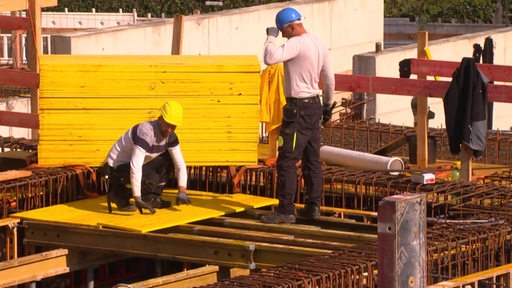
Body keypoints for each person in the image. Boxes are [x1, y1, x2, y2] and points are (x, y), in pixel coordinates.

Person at [260, 7, 335, 224]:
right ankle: (313, 208)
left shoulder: (296, 43)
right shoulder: (319, 43)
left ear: (292, 27)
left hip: (298, 110)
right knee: (312, 160)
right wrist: (328, 106)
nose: (283, 35)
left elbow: (270, 58)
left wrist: (270, 37)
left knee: (286, 161)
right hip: (314, 107)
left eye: (284, 31)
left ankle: (286, 211)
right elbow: (329, 79)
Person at [104, 100, 191, 214]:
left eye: (173, 126)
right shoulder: (145, 133)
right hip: (115, 168)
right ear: (160, 119)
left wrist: (182, 190)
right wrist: (137, 197)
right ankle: (118, 194)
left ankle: (152, 198)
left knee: (168, 160)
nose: (169, 130)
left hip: (135, 164)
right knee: (150, 178)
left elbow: (179, 164)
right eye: (167, 125)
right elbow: (135, 166)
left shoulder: (171, 136)